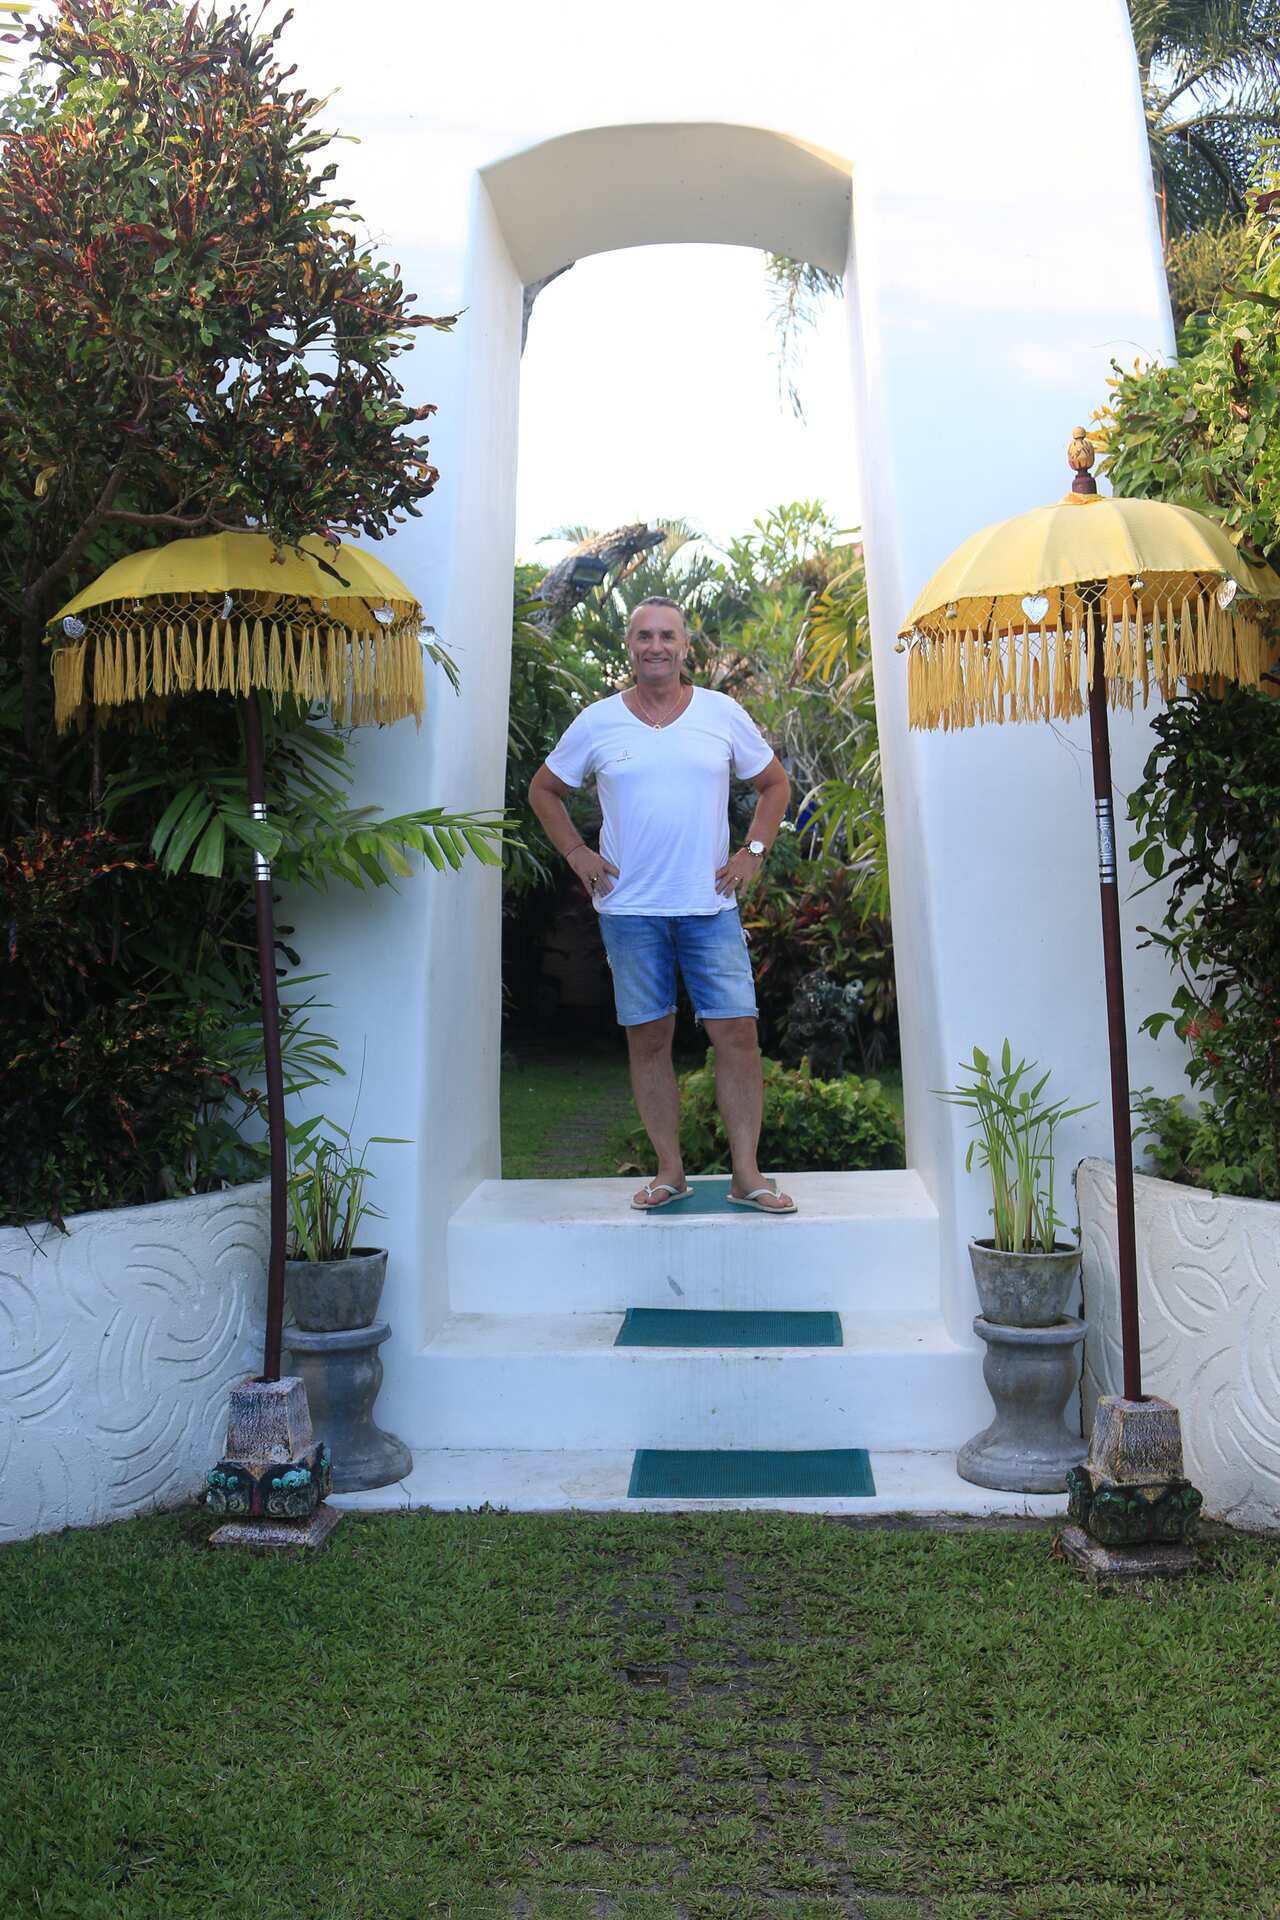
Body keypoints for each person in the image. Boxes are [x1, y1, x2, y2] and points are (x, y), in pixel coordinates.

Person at [528, 596, 796, 1214]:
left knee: (738, 1036)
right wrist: (576, 854)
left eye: (666, 636)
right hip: (629, 911)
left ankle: (747, 1175)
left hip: (710, 905)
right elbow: (545, 790)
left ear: (684, 646)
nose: (655, 646)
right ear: (630, 645)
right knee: (649, 1039)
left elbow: (774, 783)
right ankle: (669, 1171)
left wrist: (753, 850)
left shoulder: (720, 713)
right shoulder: (597, 722)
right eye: (644, 635)